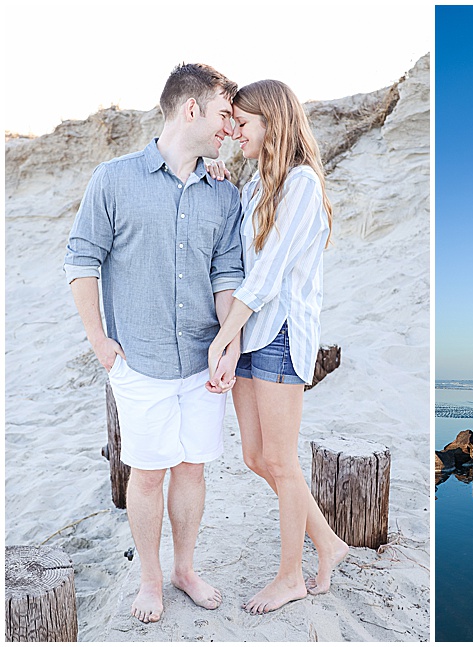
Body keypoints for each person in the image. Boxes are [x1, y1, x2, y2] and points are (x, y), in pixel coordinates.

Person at [64, 63, 244, 624]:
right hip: (138, 363)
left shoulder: (224, 194)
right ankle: (149, 580)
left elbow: (226, 275)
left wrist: (229, 343)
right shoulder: (113, 180)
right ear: (191, 110)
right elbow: (81, 261)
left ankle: (184, 569)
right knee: (147, 474)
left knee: (192, 468)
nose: (228, 130)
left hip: (202, 363)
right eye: (221, 116)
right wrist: (99, 341)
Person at [205, 79, 349, 615]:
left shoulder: (303, 184)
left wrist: (223, 336)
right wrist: (218, 179)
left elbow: (266, 277)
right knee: (255, 456)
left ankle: (292, 575)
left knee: (282, 463)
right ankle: (329, 541)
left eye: (242, 123)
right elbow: (238, 258)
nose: (233, 132)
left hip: (281, 334)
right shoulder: (255, 186)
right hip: (249, 333)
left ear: (272, 121)